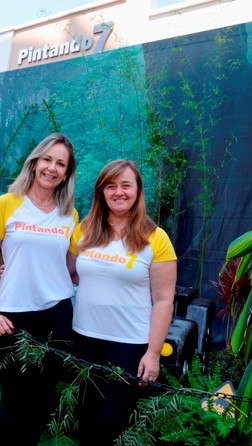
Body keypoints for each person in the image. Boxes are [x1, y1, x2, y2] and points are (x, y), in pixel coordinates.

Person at [0, 133, 79, 446]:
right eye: (47, 159)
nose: (52, 168)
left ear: (66, 173)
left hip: (56, 316)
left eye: (61, 163)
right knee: (13, 396)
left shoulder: (70, 216)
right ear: (34, 163)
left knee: (42, 397)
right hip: (11, 314)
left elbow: (72, 269)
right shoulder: (7, 204)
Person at [69, 159, 177, 445]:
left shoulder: (156, 238)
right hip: (84, 338)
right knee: (86, 417)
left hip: (128, 344)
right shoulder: (83, 231)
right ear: (101, 192)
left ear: (137, 191)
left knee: (114, 421)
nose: (119, 192)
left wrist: (153, 353)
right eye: (111, 186)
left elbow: (165, 299)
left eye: (126, 185)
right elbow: (66, 273)